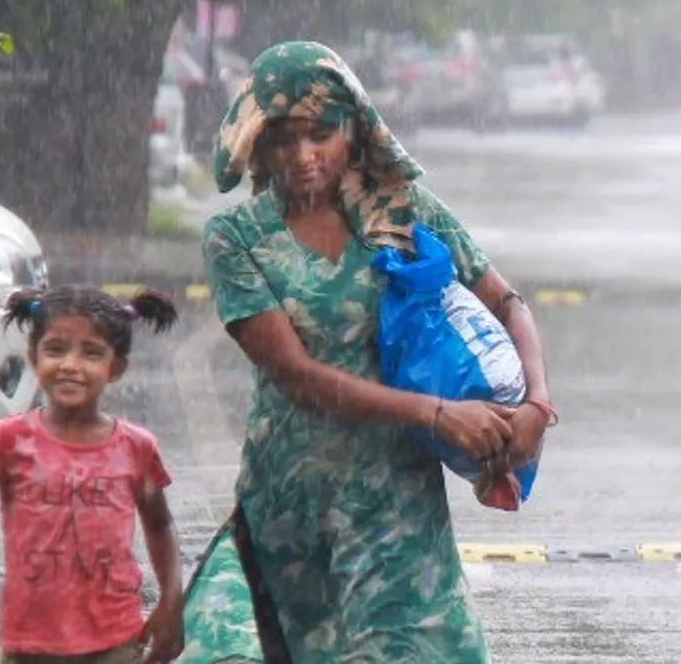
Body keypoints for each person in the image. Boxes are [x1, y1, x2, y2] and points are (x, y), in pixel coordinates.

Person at [198, 40, 556, 663]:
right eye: (283, 139)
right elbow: (298, 375)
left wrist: (536, 405)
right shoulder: (237, 238)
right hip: (294, 507)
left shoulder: (402, 208)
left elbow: (507, 303)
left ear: (353, 130)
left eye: (321, 134)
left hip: (398, 507)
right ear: (258, 145)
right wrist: (437, 414)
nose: (304, 156)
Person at [0, 285, 186, 664]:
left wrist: (171, 600)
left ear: (116, 368)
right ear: (33, 357)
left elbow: (160, 526)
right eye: (56, 349)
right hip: (30, 645)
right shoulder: (9, 441)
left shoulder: (136, 448)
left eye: (91, 353)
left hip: (116, 641)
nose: (71, 365)